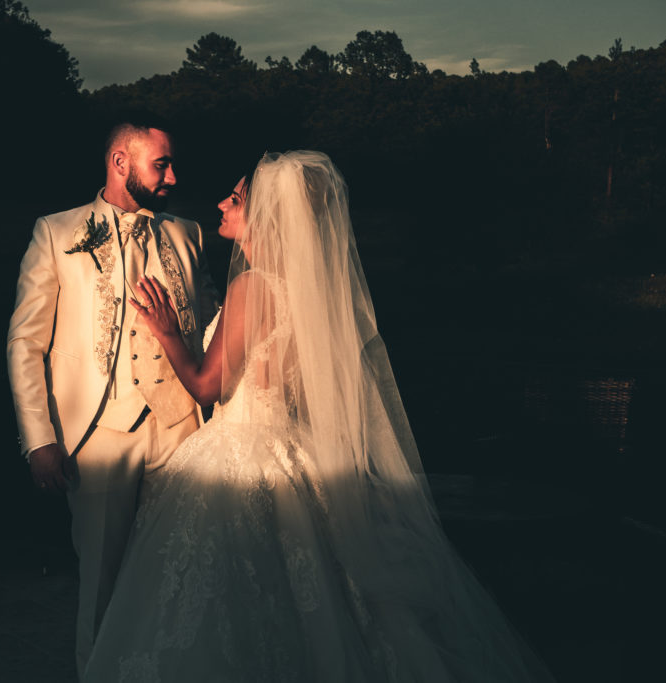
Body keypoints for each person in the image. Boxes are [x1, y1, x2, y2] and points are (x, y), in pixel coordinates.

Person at [82, 151, 554, 681]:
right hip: (294, 452)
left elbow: (206, 385)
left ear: (267, 217)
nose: (221, 204)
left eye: (235, 199)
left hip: (239, 454)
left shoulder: (253, 286)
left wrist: (167, 330)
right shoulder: (310, 295)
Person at [6, 119, 220, 675]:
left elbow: (213, 326)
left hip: (183, 432)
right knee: (101, 583)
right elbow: (26, 342)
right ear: (120, 162)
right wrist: (38, 439)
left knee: (179, 575)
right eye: (161, 165)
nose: (173, 177)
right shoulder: (57, 232)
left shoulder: (188, 233)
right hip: (98, 436)